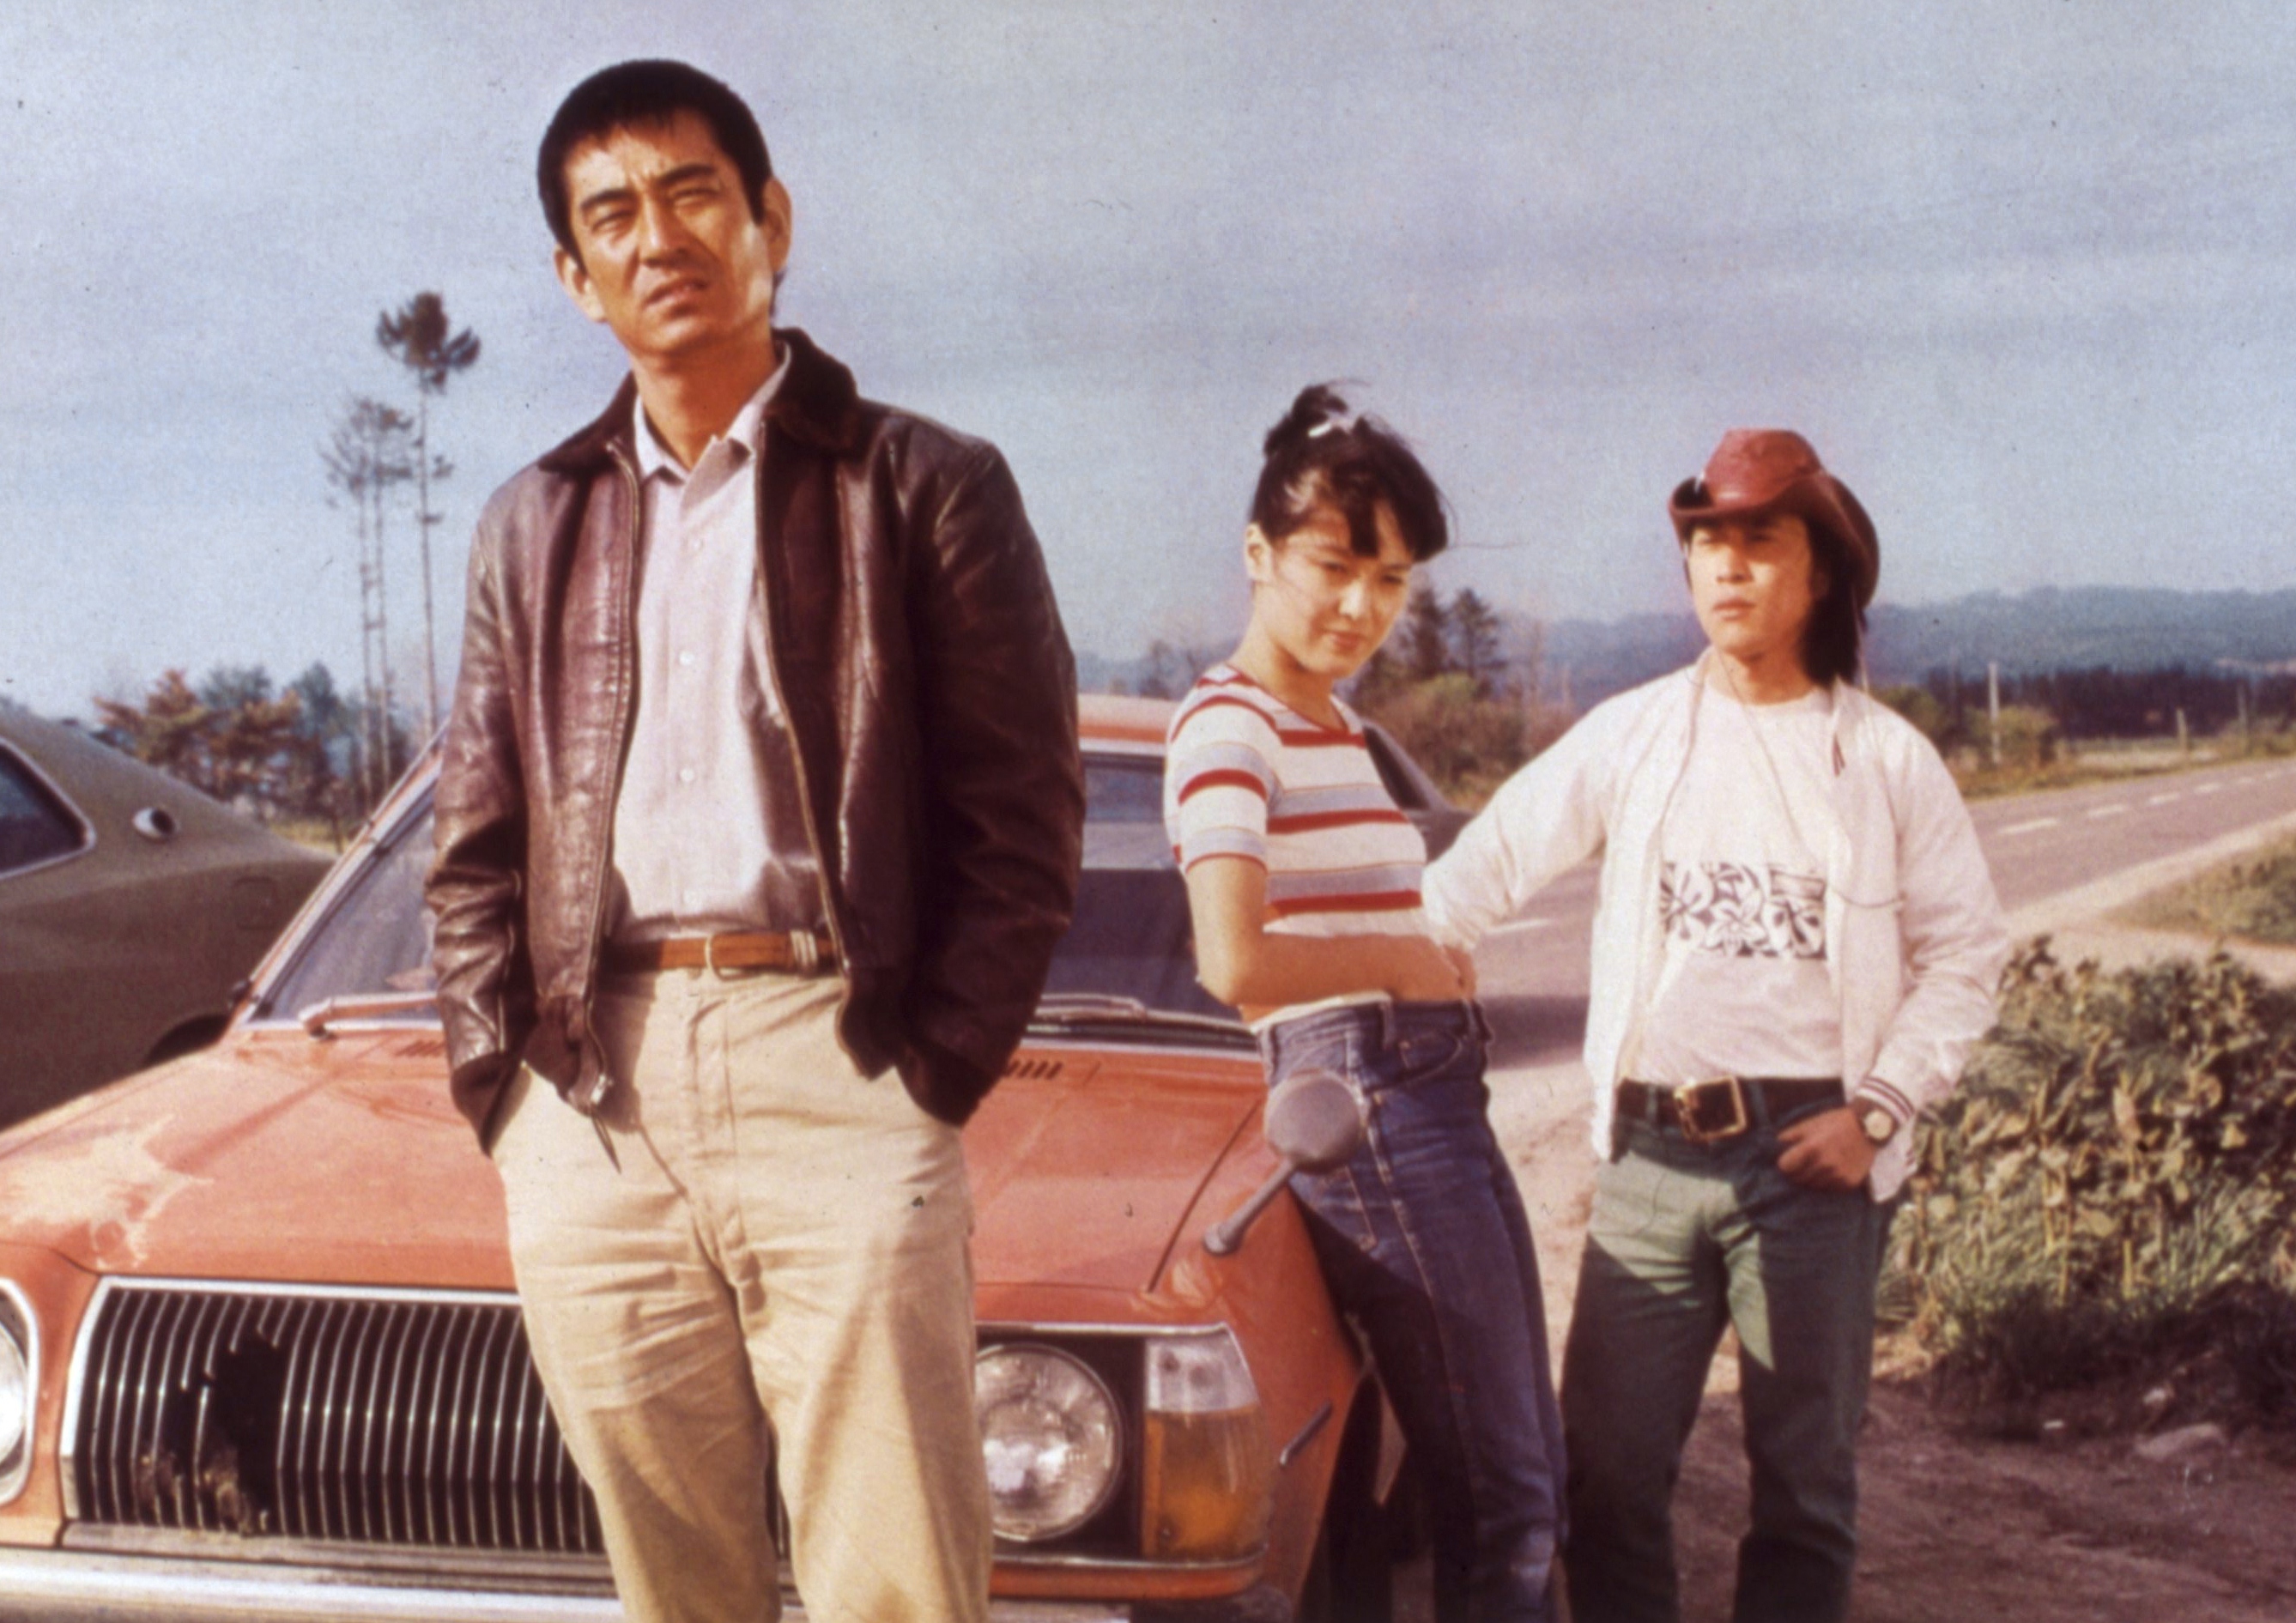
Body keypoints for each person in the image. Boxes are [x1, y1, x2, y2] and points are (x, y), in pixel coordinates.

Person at [424, 59, 1083, 1623]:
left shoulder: (924, 486)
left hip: (840, 1058)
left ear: (770, 220)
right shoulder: (534, 522)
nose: (658, 238)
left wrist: (929, 1071)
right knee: (674, 1586)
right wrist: (505, 1093)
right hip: (595, 1092)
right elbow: (475, 842)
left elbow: (1023, 819)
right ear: (575, 277)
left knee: (895, 1578)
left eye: (692, 193)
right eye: (612, 215)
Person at [1422, 428, 2009, 1622]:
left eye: (1760, 539)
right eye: (1707, 542)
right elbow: (1472, 877)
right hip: (1648, 1162)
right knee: (1605, 1477)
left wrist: (1877, 1112)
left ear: (1821, 571)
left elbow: (1967, 958)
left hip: (1813, 1165)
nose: (1728, 566)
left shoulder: (1886, 761)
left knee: (1804, 1491)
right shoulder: (1634, 734)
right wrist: (1367, 967)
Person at [1163, 385, 1566, 1620]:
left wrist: (1413, 966)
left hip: (1425, 1091)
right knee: (1504, 1497)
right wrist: (1400, 962)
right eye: (1334, 568)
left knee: (1525, 1471)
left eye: (1391, 581)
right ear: (1258, 554)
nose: (1361, 608)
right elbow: (1233, 964)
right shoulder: (1229, 727)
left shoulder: (1331, 725)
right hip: (1367, 1099)